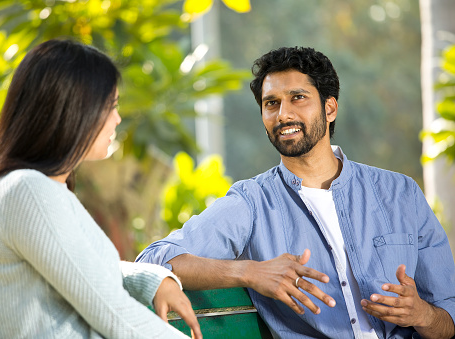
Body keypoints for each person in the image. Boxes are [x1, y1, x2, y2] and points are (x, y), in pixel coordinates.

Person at [136, 46, 455, 338]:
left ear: (330, 109)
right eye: (271, 103)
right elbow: (155, 258)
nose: (283, 115)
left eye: (297, 98)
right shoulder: (252, 204)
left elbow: (448, 320)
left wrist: (422, 314)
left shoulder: (400, 194)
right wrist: (250, 272)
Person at [0, 39, 202, 339]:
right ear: (70, 111)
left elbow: (82, 270)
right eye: (109, 106)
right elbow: (114, 314)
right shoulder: (27, 192)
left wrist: (151, 279)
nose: (118, 119)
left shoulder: (32, 188)